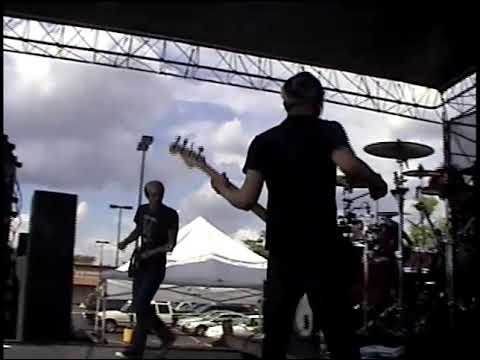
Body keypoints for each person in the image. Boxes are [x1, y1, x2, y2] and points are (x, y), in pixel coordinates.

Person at [210, 71, 388, 359]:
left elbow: (244, 200)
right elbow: (350, 167)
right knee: (340, 336)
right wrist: (377, 180)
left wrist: (221, 188)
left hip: (283, 249)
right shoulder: (329, 130)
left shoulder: (264, 141)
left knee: (276, 338)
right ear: (320, 101)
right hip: (322, 247)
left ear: (285, 101)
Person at [115, 180, 179, 359]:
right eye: (153, 195)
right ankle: (164, 337)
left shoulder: (170, 214)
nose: (156, 198)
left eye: (159, 195)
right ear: (147, 195)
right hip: (140, 263)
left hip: (156, 265)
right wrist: (126, 242)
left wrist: (150, 254)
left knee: (141, 304)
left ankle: (140, 349)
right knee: (139, 306)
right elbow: (138, 230)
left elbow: (170, 244)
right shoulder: (142, 210)